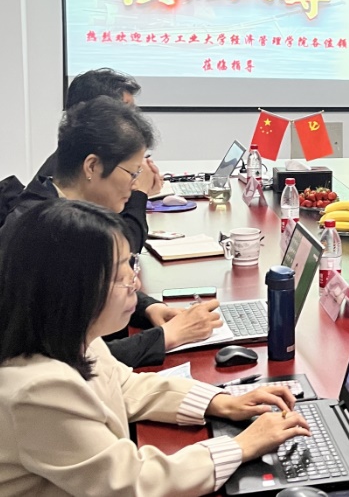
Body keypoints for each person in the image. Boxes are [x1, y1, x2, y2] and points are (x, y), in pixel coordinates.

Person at [0, 199, 310, 496]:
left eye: (131, 266)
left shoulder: (72, 339)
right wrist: (241, 446)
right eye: (121, 275)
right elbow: (132, 484)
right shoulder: (39, 390)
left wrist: (221, 402)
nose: (135, 284)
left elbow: (125, 386)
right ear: (73, 289)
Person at [1, 97, 221, 367]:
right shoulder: (43, 233)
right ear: (92, 166)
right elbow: (64, 362)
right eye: (132, 173)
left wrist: (149, 308)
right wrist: (167, 337)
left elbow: (94, 286)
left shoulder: (72, 213)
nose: (136, 185)